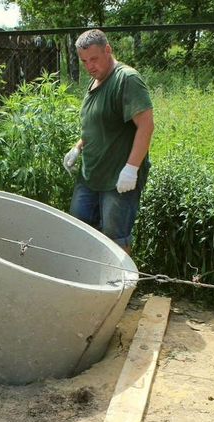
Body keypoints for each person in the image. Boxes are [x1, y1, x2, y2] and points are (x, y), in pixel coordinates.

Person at [63, 29, 154, 255]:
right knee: (80, 227)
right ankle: (89, 284)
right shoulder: (95, 81)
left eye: (94, 59)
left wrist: (131, 169)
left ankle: (118, 287)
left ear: (108, 50)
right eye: (84, 61)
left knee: (115, 239)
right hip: (91, 175)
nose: (90, 66)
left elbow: (146, 126)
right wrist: (78, 147)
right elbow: (98, 125)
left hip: (118, 178)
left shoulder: (126, 79)